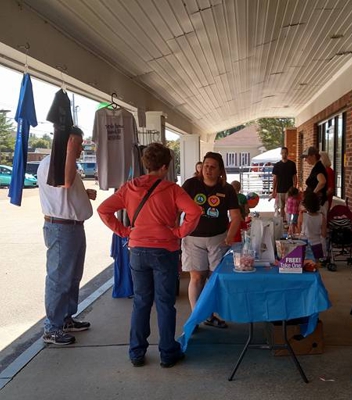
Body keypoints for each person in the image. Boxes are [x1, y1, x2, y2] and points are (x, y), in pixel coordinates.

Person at [97, 143, 201, 368]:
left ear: (146, 164)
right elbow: (194, 211)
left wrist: (125, 231)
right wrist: (179, 232)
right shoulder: (172, 189)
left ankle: (136, 352)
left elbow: (103, 210)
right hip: (165, 250)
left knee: (141, 302)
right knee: (164, 302)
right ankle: (167, 353)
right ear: (164, 167)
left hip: (137, 250)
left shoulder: (129, 188)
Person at [38, 127, 97, 346]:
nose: (81, 148)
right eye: (79, 144)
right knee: (59, 279)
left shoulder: (65, 162)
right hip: (61, 229)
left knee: (72, 277)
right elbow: (66, 182)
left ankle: (65, 319)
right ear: (68, 141)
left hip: (72, 227)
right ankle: (51, 328)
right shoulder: (53, 162)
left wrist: (85, 194)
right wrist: (70, 148)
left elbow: (66, 191)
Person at [181, 152, 241, 328]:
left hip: (218, 239)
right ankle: (196, 317)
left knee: (215, 278)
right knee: (197, 277)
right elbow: (176, 208)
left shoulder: (227, 189)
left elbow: (236, 216)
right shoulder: (190, 185)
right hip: (193, 238)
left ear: (220, 170)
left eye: (213, 166)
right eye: (206, 165)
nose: (208, 169)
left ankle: (212, 314)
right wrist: (176, 231)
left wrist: (229, 238)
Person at [298, 191, 327, 260]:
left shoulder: (302, 215)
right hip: (317, 245)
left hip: (305, 244)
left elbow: (299, 230)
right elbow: (324, 234)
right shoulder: (322, 217)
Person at [271, 147, 297, 221]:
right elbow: (275, 179)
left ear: (287, 153)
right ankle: (283, 221)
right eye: (283, 153)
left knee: (289, 207)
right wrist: (273, 191)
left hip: (290, 190)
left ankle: (289, 221)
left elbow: (294, 177)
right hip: (280, 189)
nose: (284, 154)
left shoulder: (292, 164)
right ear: (281, 153)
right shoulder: (277, 165)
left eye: (285, 153)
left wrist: (294, 187)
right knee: (281, 207)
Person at [302, 146, 327, 213]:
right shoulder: (317, 166)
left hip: (317, 203)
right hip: (315, 203)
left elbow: (322, 182)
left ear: (313, 156)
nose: (305, 160)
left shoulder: (318, 168)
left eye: (306, 157)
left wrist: (313, 194)